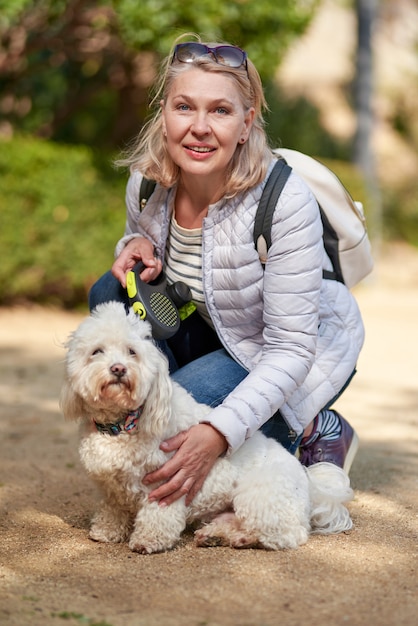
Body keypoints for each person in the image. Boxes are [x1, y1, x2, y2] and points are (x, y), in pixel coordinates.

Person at [89, 36, 364, 508]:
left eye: (220, 111)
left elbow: (291, 348)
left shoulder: (284, 201)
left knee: (174, 422)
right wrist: (132, 244)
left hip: (291, 347)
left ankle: (320, 427)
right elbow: (154, 255)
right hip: (218, 328)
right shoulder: (148, 181)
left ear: (245, 124)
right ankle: (199, 419)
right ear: (164, 113)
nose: (199, 128)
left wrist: (216, 432)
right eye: (184, 107)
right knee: (109, 292)